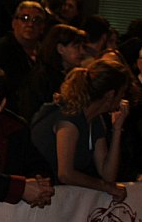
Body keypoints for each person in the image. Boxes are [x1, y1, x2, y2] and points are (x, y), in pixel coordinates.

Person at [31, 58, 132, 201]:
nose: (123, 98)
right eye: (122, 92)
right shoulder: (69, 118)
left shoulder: (95, 119)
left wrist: (117, 129)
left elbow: (107, 173)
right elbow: (65, 173)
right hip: (38, 196)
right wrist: (105, 187)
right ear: (110, 95)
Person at [0, 65, 54, 207]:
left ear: (1, 105)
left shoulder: (14, 128)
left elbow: (39, 165)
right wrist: (21, 188)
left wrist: (40, 186)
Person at [17, 24, 87, 122]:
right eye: (76, 46)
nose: (82, 52)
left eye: (82, 47)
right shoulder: (42, 77)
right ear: (60, 49)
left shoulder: (68, 76)